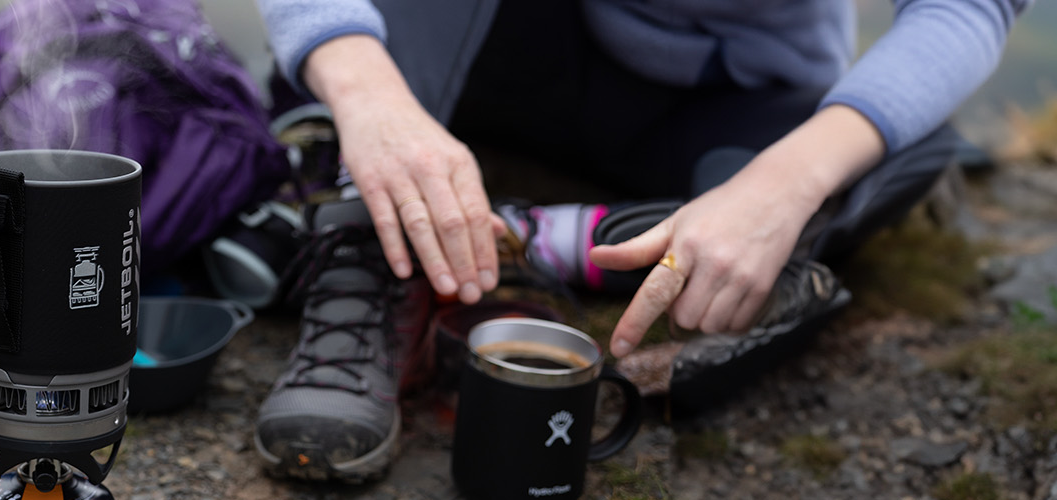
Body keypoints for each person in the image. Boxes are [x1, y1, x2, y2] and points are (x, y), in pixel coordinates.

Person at [250, 0, 1031, 483]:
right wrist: (368, 95)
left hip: (715, 89)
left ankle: (528, 235)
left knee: (891, 156)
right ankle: (368, 230)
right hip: (491, 45)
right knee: (331, 82)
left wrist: (780, 188)